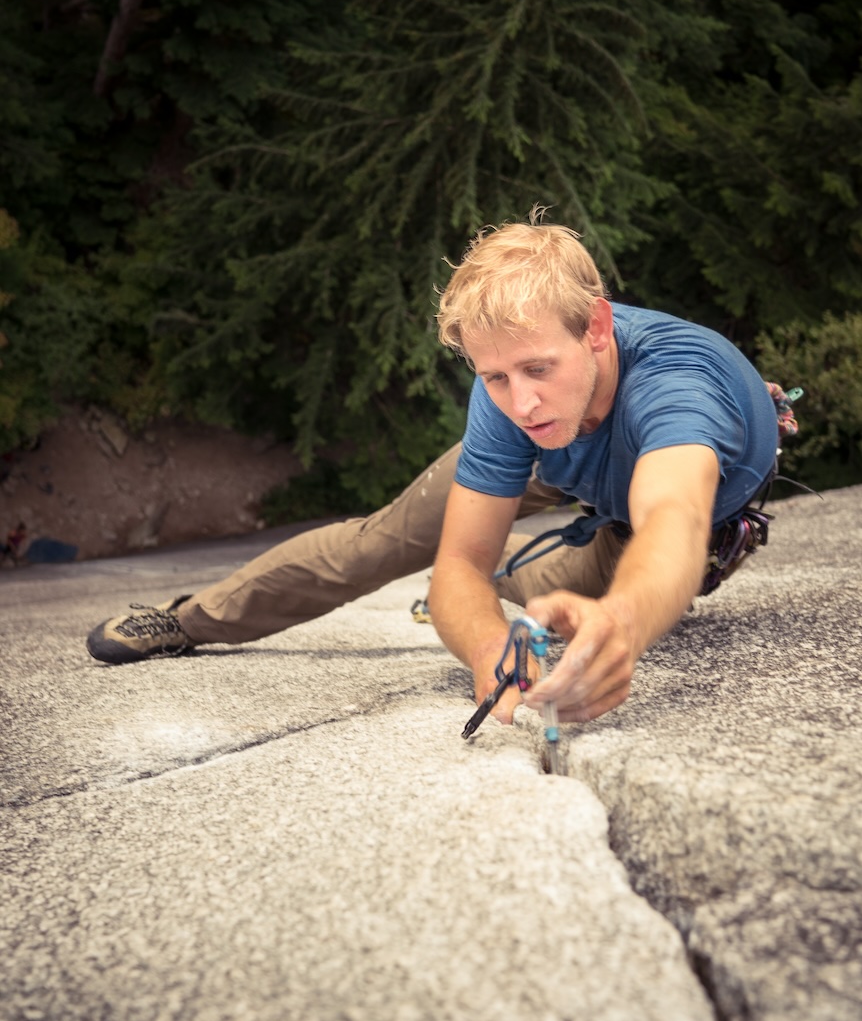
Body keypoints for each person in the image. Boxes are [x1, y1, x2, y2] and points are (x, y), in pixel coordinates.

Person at [87, 217, 789, 726]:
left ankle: (519, 601)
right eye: (495, 377)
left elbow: (674, 516)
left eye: (537, 368)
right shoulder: (515, 395)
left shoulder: (677, 387)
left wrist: (625, 623)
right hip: (566, 451)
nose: (521, 399)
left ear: (597, 329)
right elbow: (456, 559)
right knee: (385, 543)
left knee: (556, 607)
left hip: (655, 493)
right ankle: (189, 621)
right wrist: (485, 649)